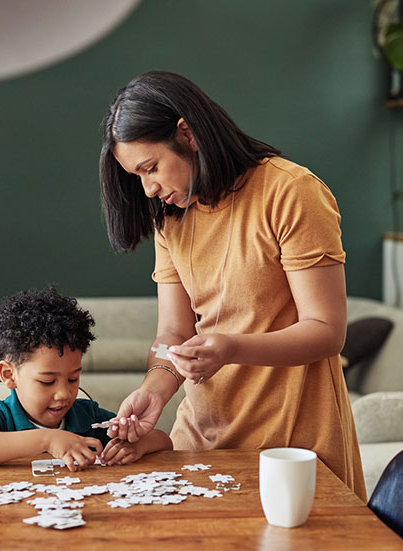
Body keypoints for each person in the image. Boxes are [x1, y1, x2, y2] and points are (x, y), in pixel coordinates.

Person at [98, 71, 365, 500]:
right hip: (200, 438)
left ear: (187, 134)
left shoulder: (290, 191)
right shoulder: (170, 218)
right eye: (136, 176)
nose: (148, 187)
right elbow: (173, 334)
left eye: (151, 168)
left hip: (291, 445)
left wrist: (231, 348)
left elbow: (327, 331)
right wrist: (155, 389)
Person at [0, 287, 172, 471]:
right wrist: (47, 439)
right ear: (9, 375)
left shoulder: (88, 416)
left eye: (73, 379)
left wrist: (138, 445)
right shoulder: (0, 416)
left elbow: (164, 441)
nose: (64, 394)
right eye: (47, 382)